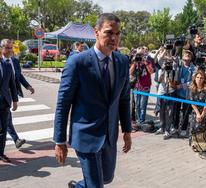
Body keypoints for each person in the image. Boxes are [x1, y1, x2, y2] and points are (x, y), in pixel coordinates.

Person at [54, 13, 132, 188]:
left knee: (106, 178)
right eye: (109, 32)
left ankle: (78, 186)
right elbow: (63, 103)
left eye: (117, 34)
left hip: (110, 135)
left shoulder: (121, 61)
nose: (114, 38)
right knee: (97, 185)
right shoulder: (77, 62)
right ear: (96, 32)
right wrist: (59, 141)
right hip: (86, 135)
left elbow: (124, 99)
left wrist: (127, 130)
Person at [1, 39, 35, 149]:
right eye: (8, 48)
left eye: (11, 48)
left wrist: (28, 86)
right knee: (7, 118)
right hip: (2, 94)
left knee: (6, 118)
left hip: (11, 92)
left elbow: (19, 76)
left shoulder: (14, 61)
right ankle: (15, 139)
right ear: (2, 48)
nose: (10, 50)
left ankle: (9, 137)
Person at [0, 49, 18, 162]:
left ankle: (1, 153)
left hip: (5, 101)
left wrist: (15, 100)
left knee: (4, 129)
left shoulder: (6, 65)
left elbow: (12, 83)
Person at [173, 50, 195, 137]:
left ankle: (184, 129)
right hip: (177, 93)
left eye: (189, 55)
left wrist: (182, 85)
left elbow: (193, 81)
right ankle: (175, 127)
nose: (187, 56)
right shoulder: (178, 65)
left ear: (191, 58)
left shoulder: (193, 68)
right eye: (185, 54)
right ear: (182, 56)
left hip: (187, 93)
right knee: (176, 111)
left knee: (186, 112)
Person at [129, 47, 154, 127]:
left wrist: (145, 63)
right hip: (137, 86)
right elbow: (130, 72)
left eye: (141, 55)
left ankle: (141, 121)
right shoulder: (136, 62)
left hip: (145, 86)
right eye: (138, 55)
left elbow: (151, 71)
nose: (140, 56)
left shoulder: (148, 61)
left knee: (142, 105)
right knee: (137, 105)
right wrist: (135, 62)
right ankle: (139, 120)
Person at [188, 69, 206, 151]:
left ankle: (202, 144)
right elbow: (192, 102)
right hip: (195, 111)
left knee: (203, 128)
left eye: (201, 78)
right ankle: (194, 143)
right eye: (197, 77)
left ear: (204, 79)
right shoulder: (192, 88)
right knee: (193, 127)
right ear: (195, 78)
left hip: (205, 112)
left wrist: (202, 115)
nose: (199, 79)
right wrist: (198, 114)